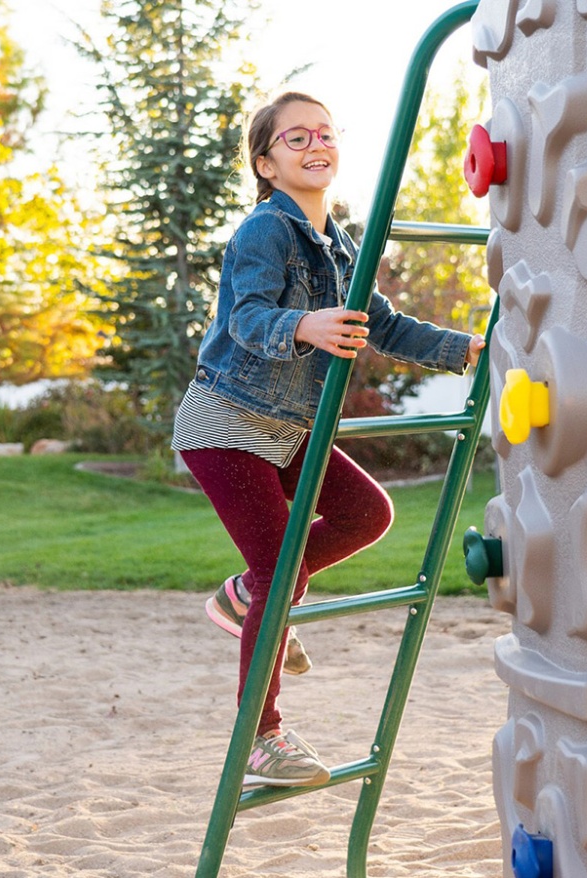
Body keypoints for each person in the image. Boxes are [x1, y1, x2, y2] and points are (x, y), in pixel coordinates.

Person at [171, 91, 485, 788]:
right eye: (294, 139)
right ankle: (262, 740)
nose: (315, 145)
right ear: (266, 163)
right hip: (227, 422)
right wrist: (301, 327)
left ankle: (248, 598)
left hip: (287, 430)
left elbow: (387, 325)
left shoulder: (341, 245)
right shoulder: (264, 231)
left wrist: (468, 349)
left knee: (366, 514)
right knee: (282, 570)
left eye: (325, 133)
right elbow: (246, 315)